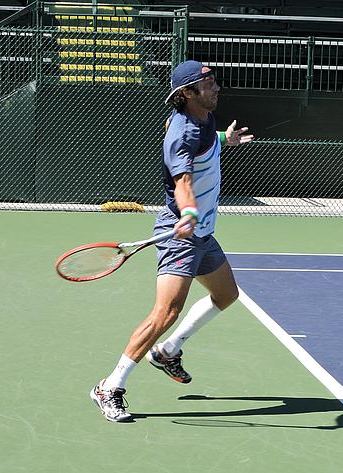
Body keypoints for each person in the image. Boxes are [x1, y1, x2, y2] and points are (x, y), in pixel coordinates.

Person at [90, 60, 254, 422]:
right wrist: (189, 211)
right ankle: (109, 387)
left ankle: (167, 351)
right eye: (208, 84)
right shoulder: (181, 135)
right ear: (187, 93)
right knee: (165, 312)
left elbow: (207, 145)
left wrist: (228, 139)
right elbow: (182, 182)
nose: (216, 88)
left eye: (213, 81)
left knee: (227, 295)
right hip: (182, 228)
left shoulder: (205, 118)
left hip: (203, 232)